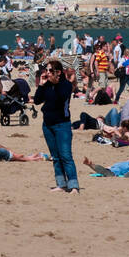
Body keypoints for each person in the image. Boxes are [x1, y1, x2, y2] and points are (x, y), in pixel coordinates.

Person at [34, 59, 78, 192]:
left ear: (58, 72)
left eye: (50, 70)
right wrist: (41, 85)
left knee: (66, 156)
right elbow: (37, 101)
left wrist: (55, 83)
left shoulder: (65, 85)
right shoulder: (46, 85)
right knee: (55, 157)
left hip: (62, 125)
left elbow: (62, 97)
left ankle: (73, 186)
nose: (47, 73)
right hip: (47, 125)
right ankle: (61, 184)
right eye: (46, 70)